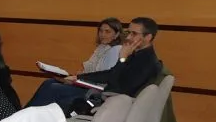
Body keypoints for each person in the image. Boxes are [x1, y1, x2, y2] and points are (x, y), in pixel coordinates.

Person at [27, 17, 162, 112]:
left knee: (52, 88)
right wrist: (78, 79)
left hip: (104, 100)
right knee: (50, 83)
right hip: (103, 94)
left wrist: (122, 58)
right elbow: (109, 74)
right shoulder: (137, 54)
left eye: (134, 34)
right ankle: (24, 118)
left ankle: (21, 120)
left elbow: (118, 86)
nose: (128, 37)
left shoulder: (146, 61)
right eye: (128, 32)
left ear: (148, 37)